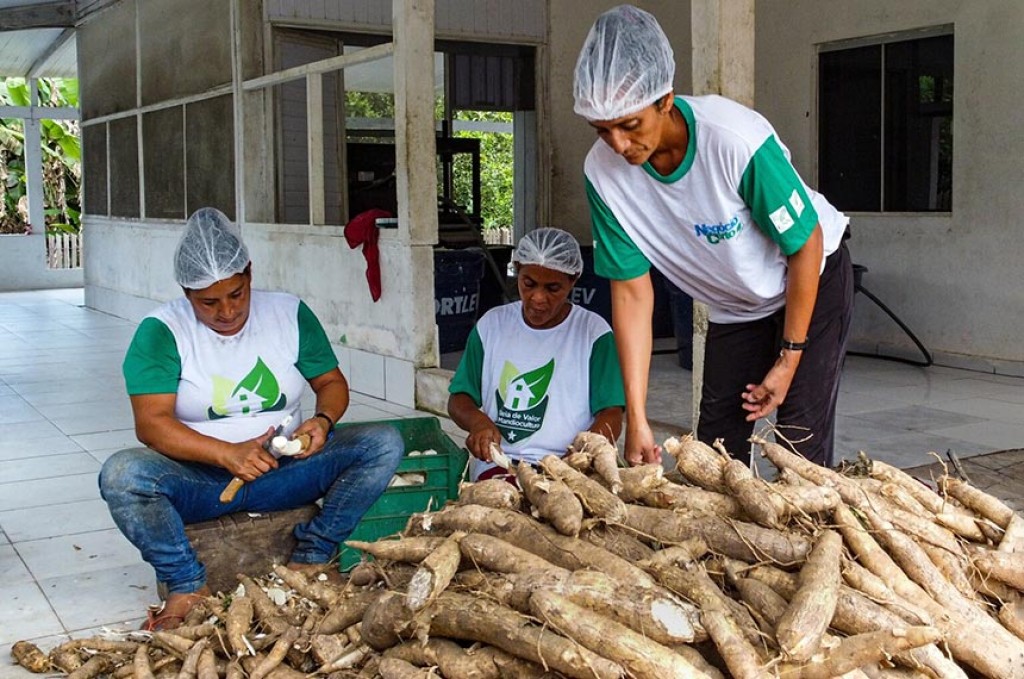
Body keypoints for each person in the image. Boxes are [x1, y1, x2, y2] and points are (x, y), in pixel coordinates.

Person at [573, 5, 854, 468]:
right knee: (713, 453)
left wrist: (788, 360)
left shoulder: (733, 139)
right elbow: (631, 294)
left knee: (798, 449)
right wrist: (637, 417)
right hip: (736, 304)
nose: (619, 145)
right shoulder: (602, 175)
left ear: (665, 100)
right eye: (602, 130)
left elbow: (806, 244)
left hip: (812, 276)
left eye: (630, 125)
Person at [99, 207, 404, 630]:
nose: (226, 311)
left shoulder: (288, 314)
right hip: (201, 483)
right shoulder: (161, 331)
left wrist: (322, 421)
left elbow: (332, 383)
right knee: (123, 474)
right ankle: (186, 583)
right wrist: (227, 454)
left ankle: (312, 556)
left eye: (236, 294)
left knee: (383, 443)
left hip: (285, 472)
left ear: (250, 274)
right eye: (208, 302)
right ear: (186, 293)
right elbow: (151, 424)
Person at [447, 228, 625, 481]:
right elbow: (459, 399)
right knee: (501, 503)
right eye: (528, 284)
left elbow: (611, 413)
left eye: (553, 288)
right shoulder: (492, 326)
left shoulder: (593, 332)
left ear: (573, 280)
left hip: (570, 467)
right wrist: (478, 422)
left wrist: (582, 455)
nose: (538, 298)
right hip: (502, 465)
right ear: (517, 270)